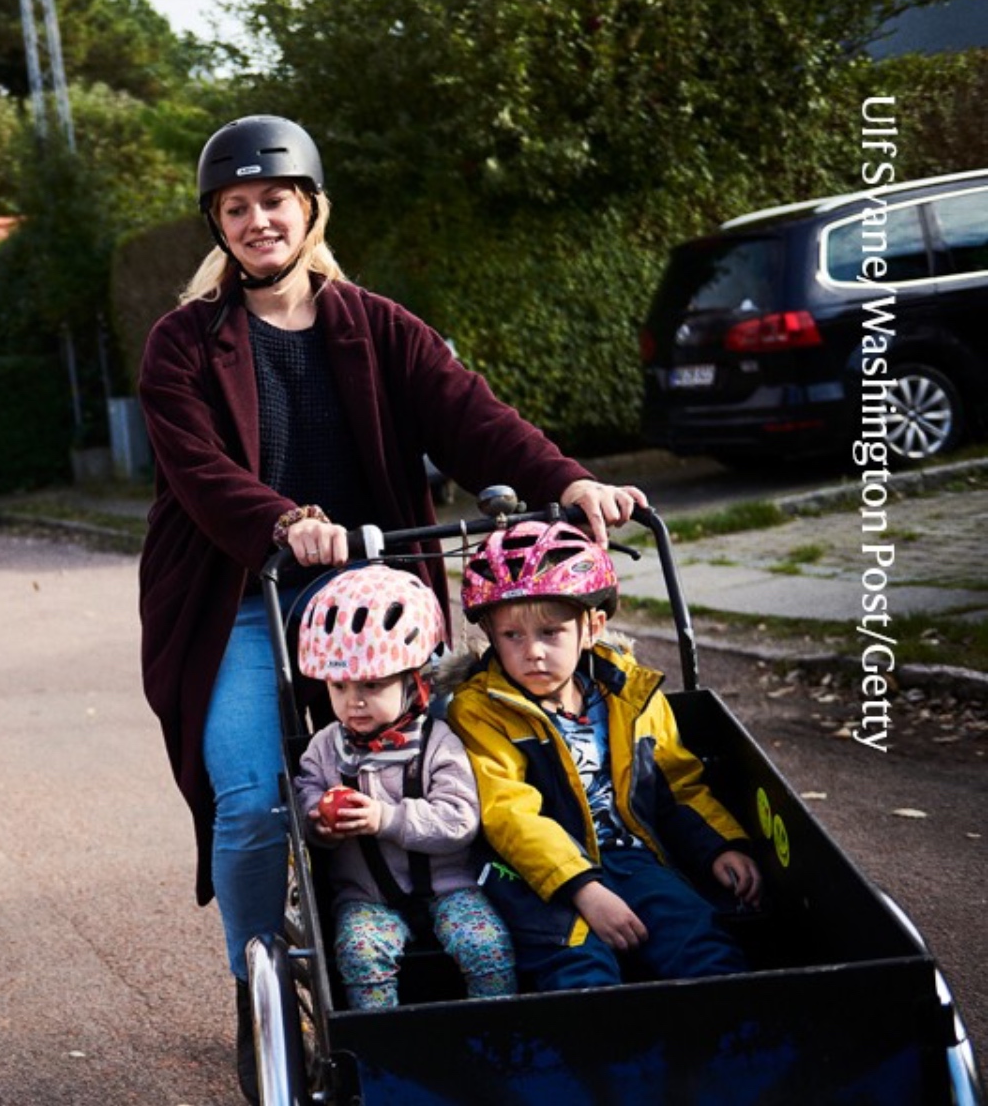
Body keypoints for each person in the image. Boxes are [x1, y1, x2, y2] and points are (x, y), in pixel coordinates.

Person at [136, 113, 647, 1101]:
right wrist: (284, 521)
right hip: (237, 592)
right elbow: (195, 467)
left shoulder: (376, 327)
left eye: (274, 201)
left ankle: (462, 936)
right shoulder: (183, 342)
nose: (257, 221)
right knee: (252, 803)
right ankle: (258, 988)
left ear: (311, 210)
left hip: (368, 593)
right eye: (235, 208)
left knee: (445, 761)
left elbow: (472, 416)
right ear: (217, 226)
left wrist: (569, 481)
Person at [447, 520, 763, 992]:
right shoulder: (482, 710)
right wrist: (584, 889)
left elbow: (675, 781)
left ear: (591, 628)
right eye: (512, 636)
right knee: (579, 963)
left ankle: (736, 1027)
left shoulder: (628, 695)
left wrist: (718, 845)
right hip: (536, 873)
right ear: (490, 634)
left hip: (629, 855)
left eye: (550, 632)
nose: (532, 652)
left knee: (699, 938)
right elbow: (509, 813)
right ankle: (599, 1031)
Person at [291, 565, 516, 1009]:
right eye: (339, 686)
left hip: (451, 888)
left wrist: (385, 818)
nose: (354, 701)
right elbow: (306, 795)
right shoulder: (325, 748)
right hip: (366, 899)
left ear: (416, 683)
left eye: (372, 685)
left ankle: (495, 1029)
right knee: (359, 953)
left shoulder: (438, 743)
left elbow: (459, 820)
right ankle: (380, 1040)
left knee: (487, 946)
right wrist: (318, 820)